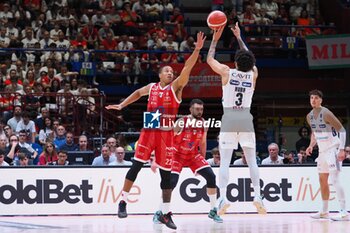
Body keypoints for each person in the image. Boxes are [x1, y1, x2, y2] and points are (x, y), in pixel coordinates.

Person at [106, 32, 206, 230]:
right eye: (167, 71)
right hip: (150, 131)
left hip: (167, 135)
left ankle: (165, 213)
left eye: (171, 71)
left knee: (166, 178)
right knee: (135, 167)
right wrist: (122, 105)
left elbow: (187, 68)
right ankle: (123, 202)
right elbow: (137, 92)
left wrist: (196, 50)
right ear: (160, 75)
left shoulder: (176, 88)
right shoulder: (152, 87)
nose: (171, 73)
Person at [206, 23, 265, 215]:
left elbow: (209, 59)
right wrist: (240, 38)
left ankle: (222, 197)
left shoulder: (227, 72)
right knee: (252, 161)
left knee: (224, 162)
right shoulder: (253, 75)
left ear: (236, 62)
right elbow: (251, 60)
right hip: (246, 118)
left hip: (230, 117)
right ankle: (258, 196)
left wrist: (215, 39)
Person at [165, 99, 222, 223]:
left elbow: (202, 142)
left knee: (211, 176)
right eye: (197, 109)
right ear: (190, 109)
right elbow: (168, 139)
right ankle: (161, 212)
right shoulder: (181, 122)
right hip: (177, 155)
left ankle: (213, 210)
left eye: (201, 109)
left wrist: (202, 161)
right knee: (172, 182)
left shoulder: (204, 123)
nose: (200, 111)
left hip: (192, 155)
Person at [306, 89, 349, 221]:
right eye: (311, 98)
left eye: (316, 98)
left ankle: (344, 212)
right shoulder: (309, 116)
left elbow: (342, 130)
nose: (313, 100)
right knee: (322, 179)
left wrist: (342, 149)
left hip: (333, 149)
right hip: (322, 151)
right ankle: (324, 211)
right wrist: (311, 145)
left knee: (334, 179)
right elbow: (315, 133)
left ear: (321, 100)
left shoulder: (326, 113)